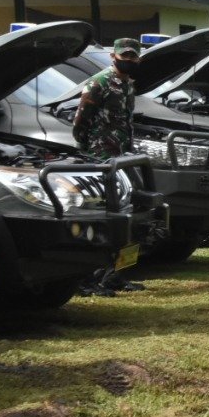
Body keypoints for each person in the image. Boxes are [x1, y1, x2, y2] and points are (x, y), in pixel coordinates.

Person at [73, 37, 144, 296]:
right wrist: (90, 149)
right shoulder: (100, 83)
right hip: (101, 157)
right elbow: (80, 120)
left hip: (123, 156)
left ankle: (116, 275)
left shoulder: (127, 85)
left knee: (134, 212)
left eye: (132, 57)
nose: (128, 61)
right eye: (123, 57)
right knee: (104, 216)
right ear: (113, 57)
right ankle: (88, 279)